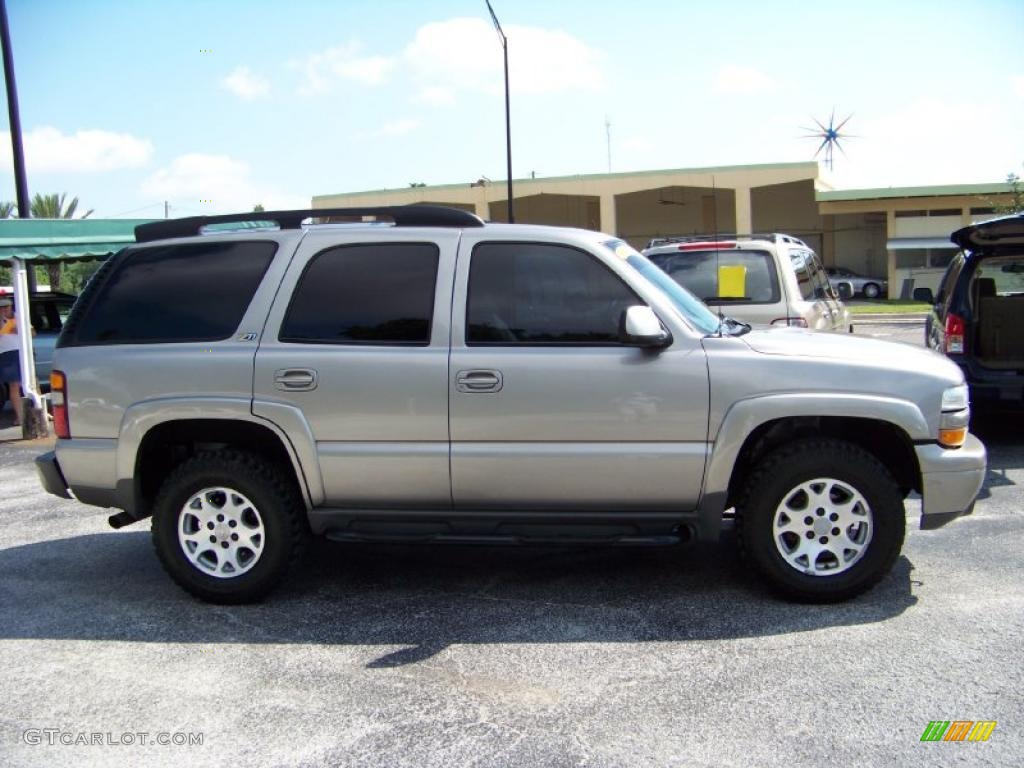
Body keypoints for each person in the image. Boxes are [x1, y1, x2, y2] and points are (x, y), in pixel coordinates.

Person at [0, 296, 24, 426]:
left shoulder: (19, 316)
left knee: (32, 382)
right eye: (1, 307)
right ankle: (20, 417)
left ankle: (40, 411)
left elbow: (33, 333)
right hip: (7, 354)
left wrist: (19, 330)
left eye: (6, 306)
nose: (4, 309)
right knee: (14, 385)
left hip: (23, 352)